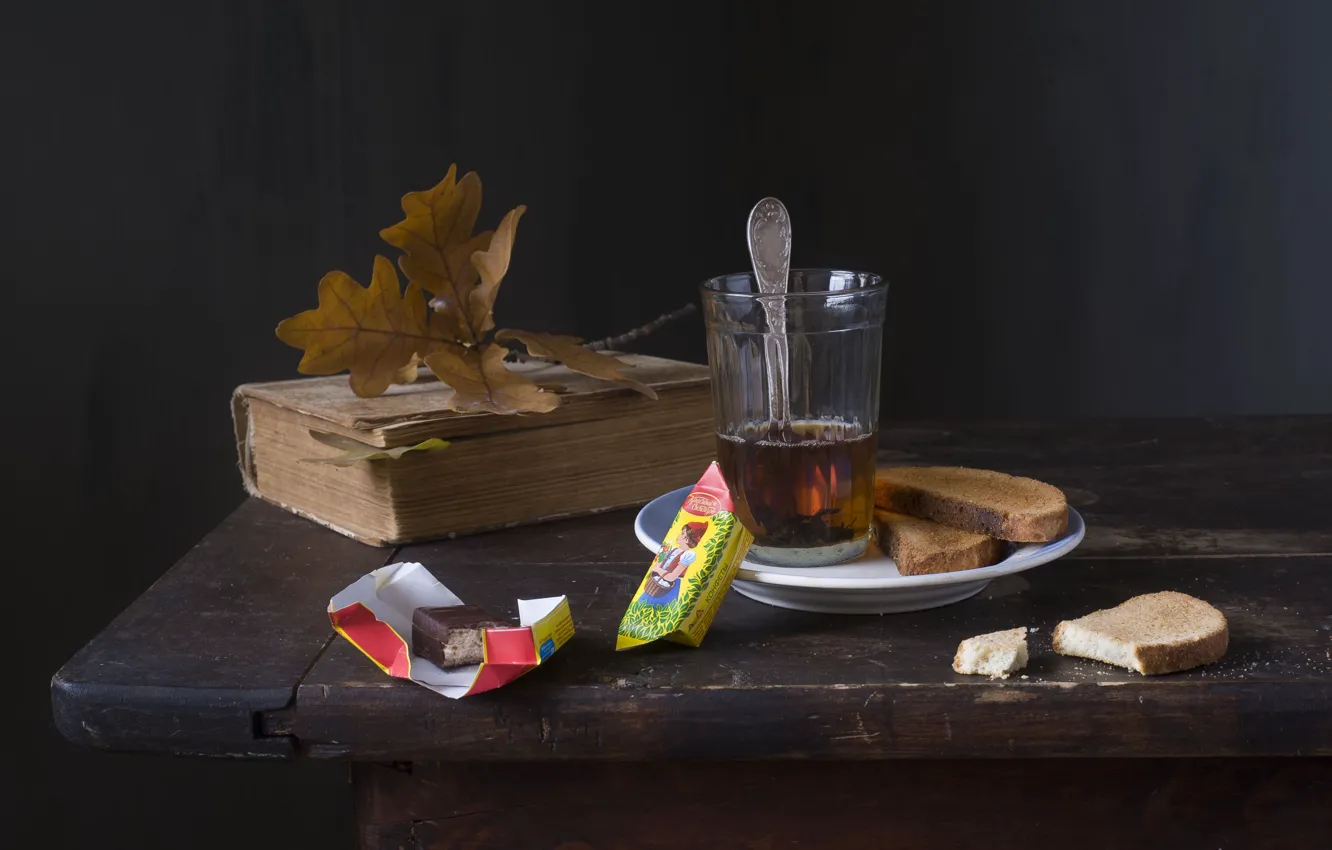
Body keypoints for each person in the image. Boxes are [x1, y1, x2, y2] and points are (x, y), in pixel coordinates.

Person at [642, 521, 708, 604]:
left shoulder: (688, 555)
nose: (679, 535)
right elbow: (657, 564)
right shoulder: (671, 548)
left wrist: (657, 569)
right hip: (654, 582)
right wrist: (663, 552)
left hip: (669, 586)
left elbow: (671, 577)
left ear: (688, 539)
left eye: (683, 533)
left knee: (662, 607)